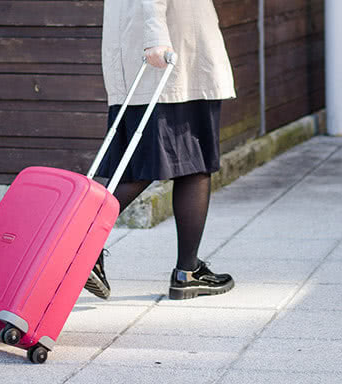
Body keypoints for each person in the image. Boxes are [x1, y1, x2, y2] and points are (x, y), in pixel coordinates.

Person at [84, 0, 236, 301]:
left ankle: (187, 271)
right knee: (190, 162)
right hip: (171, 53)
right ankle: (80, 247)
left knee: (151, 163)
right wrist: (156, 38)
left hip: (145, 51)